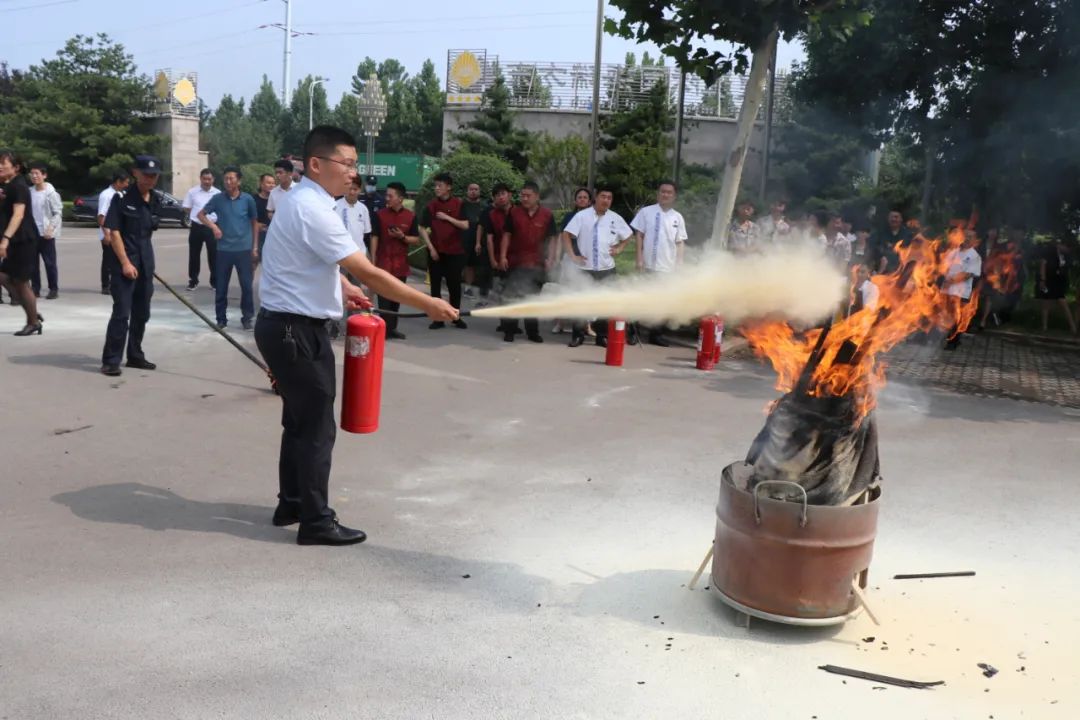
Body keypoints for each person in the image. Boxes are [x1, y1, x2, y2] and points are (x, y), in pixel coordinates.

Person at [254, 125, 456, 546]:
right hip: (296, 332)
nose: (352, 173)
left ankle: (291, 503)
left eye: (354, 165)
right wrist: (429, 303)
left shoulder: (304, 203)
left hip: (284, 327)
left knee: (298, 423)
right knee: (316, 430)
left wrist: (341, 288)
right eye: (345, 164)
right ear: (315, 164)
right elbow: (370, 273)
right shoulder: (313, 208)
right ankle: (315, 521)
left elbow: (302, 262)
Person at [100, 155, 165, 374]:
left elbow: (148, 232)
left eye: (154, 176)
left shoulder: (155, 199)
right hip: (124, 265)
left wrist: (146, 263)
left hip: (146, 263)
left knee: (142, 313)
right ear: (135, 173)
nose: (150, 179)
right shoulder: (122, 199)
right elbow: (114, 232)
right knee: (121, 313)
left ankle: (135, 355)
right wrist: (126, 262)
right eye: (146, 175)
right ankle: (111, 360)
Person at [562, 186, 633, 348]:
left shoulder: (615, 218)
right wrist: (573, 256)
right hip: (584, 268)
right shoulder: (582, 216)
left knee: (605, 303)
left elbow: (628, 235)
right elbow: (566, 234)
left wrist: (620, 248)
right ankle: (578, 335)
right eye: (603, 196)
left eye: (609, 197)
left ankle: (601, 336)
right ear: (595, 197)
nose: (606, 200)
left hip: (606, 268)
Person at [198, 166, 259, 330]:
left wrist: (254, 247)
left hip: (244, 250)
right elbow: (201, 215)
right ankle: (221, 319)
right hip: (224, 250)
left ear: (239, 181)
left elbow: (254, 223)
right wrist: (214, 227)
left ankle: (247, 318)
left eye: (231, 178)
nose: (228, 181)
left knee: (246, 286)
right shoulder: (218, 199)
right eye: (225, 178)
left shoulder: (248, 200)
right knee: (221, 287)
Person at [499, 180, 557, 343]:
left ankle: (532, 332)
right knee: (513, 296)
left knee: (533, 298)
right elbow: (507, 235)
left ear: (537, 197)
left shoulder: (547, 215)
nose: (524, 198)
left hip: (537, 264)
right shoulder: (514, 213)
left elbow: (552, 238)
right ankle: (510, 330)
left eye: (528, 196)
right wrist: (502, 256)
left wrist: (551, 258)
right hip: (515, 262)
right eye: (522, 195)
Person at [631, 179, 688, 346]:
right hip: (647, 264)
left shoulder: (677, 217)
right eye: (663, 191)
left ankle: (656, 335)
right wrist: (639, 258)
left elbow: (680, 242)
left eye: (669, 192)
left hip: (667, 267)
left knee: (661, 302)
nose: (665, 195)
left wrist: (679, 264)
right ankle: (633, 332)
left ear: (674, 196)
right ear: (658, 193)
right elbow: (639, 235)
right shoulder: (646, 212)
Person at [419, 172, 470, 330]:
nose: (437, 188)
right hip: (436, 252)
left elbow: (465, 225)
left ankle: (455, 316)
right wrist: (431, 248)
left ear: (449, 187)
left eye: (440, 186)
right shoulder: (431, 206)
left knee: (454, 285)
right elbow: (421, 228)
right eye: (436, 186)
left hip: (455, 252)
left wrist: (448, 218)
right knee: (435, 286)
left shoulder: (459, 204)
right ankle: (437, 318)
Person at [370, 181, 420, 340]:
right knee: (384, 298)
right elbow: (374, 237)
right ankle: (383, 329)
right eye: (387, 195)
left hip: (400, 264)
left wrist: (402, 237)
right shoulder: (380, 215)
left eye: (390, 196)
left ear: (400, 198)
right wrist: (372, 259)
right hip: (383, 263)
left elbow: (415, 240)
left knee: (397, 297)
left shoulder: (410, 216)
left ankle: (392, 329)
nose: (387, 198)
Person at [0, 149, 43, 335]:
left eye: (3, 165)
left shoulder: (19, 186)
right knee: (8, 277)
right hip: (12, 240)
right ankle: (30, 308)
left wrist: (5, 239)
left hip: (23, 240)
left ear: (16, 168)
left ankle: (33, 322)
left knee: (21, 281)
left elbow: (18, 215)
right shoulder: (6, 185)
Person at [551, 187, 594, 335]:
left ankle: (587, 326)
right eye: (579, 197)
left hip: (588, 262)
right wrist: (556, 257)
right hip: (570, 259)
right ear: (575, 200)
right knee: (565, 291)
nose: (582, 199)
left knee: (587, 293)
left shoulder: (594, 217)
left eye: (585, 197)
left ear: (589, 201)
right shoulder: (569, 217)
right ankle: (560, 323)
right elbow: (561, 237)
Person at [480, 183, 514, 333]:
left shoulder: (518, 212)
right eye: (497, 195)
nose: (501, 197)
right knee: (502, 291)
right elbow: (489, 239)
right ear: (494, 198)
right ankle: (504, 322)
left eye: (503, 193)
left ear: (509, 195)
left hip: (516, 258)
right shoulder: (491, 215)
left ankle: (514, 324)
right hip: (500, 260)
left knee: (517, 291)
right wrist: (493, 259)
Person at [27, 161, 63, 299]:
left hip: (46, 234)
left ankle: (53, 289)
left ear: (44, 175)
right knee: (33, 264)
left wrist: (50, 228)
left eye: (37, 173)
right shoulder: (29, 192)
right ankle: (35, 289)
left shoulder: (51, 193)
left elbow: (57, 212)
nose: (34, 176)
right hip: (32, 233)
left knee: (50, 263)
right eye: (32, 173)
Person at [943, 230, 983, 349]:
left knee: (958, 316)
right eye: (966, 236)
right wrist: (946, 280)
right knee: (949, 315)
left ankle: (954, 341)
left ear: (974, 240)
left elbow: (969, 274)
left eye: (970, 237)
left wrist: (952, 281)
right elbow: (945, 267)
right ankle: (950, 337)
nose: (967, 239)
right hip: (948, 289)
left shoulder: (974, 256)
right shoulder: (954, 252)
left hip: (961, 291)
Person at [182, 168, 220, 290]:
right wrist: (195, 215)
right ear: (200, 179)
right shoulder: (192, 192)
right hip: (196, 227)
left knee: (214, 255)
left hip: (212, 227)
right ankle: (193, 280)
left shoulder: (218, 193)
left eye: (209, 179)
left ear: (213, 179)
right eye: (204, 179)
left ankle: (215, 281)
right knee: (194, 254)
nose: (207, 181)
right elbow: (187, 208)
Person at [97, 171, 130, 294]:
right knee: (108, 261)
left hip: (118, 233)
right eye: (125, 182)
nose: (127, 184)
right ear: (118, 182)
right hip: (109, 233)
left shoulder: (120, 194)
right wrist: (106, 234)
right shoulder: (107, 195)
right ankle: (105, 285)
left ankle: (115, 284)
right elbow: (101, 216)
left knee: (116, 260)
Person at [1035, 238, 1077, 334]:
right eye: (1066, 247)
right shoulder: (1049, 251)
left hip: (1058, 281)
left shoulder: (1065, 255)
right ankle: (1044, 327)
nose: (1067, 250)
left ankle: (1072, 327)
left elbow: (1065, 268)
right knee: (1046, 302)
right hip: (1048, 280)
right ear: (1061, 245)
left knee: (1062, 301)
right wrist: (1042, 280)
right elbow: (1043, 265)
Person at [460, 182, 487, 299]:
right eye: (471, 189)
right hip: (462, 238)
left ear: (479, 191)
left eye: (476, 189)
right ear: (467, 191)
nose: (473, 191)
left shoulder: (484, 206)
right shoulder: (461, 205)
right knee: (459, 263)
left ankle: (468, 288)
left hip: (478, 240)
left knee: (471, 265)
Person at [335, 176, 372, 256]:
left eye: (355, 189)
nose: (352, 192)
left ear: (360, 190)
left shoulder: (363, 209)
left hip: (360, 253)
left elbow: (366, 232)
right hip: (340, 254)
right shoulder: (336, 206)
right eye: (349, 189)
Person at [874, 210, 913, 274]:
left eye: (896, 217)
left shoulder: (908, 235)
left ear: (901, 219)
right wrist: (880, 257)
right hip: (883, 269)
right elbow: (873, 249)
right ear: (888, 219)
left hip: (901, 270)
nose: (893, 219)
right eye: (891, 217)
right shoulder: (880, 233)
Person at [253, 173, 274, 257]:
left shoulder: (277, 199)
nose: (271, 185)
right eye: (268, 183)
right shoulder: (253, 199)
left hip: (272, 236)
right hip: (257, 235)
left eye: (273, 183)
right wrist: (256, 224)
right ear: (261, 184)